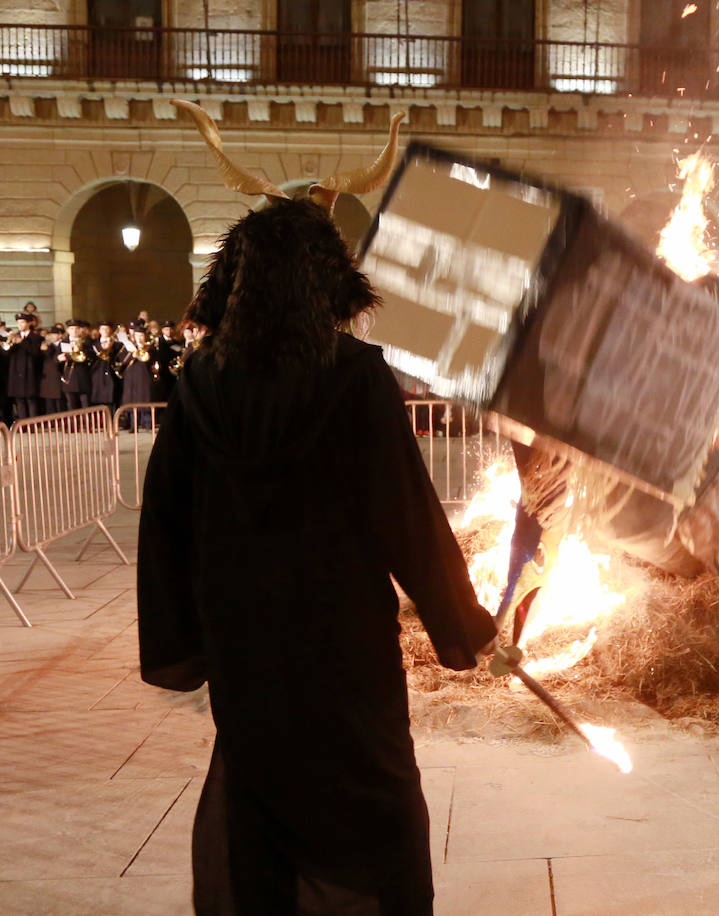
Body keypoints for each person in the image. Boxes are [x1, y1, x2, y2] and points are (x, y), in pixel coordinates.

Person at [138, 100, 496, 914]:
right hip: (342, 643)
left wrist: (181, 642)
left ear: (240, 283)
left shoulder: (198, 384)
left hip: (244, 643)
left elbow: (165, 529)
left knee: (260, 793)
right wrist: (461, 623)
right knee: (370, 795)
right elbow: (407, 517)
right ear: (324, 281)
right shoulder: (355, 376)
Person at [6, 312, 42, 419]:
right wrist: (9, 344)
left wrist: (22, 342)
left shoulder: (36, 337)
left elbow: (35, 352)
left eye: (22, 322)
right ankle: (22, 426)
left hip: (29, 372)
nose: (20, 325)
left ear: (29, 323)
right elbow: (7, 354)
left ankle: (32, 424)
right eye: (18, 323)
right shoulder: (15, 336)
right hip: (16, 372)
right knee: (19, 399)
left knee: (30, 399)